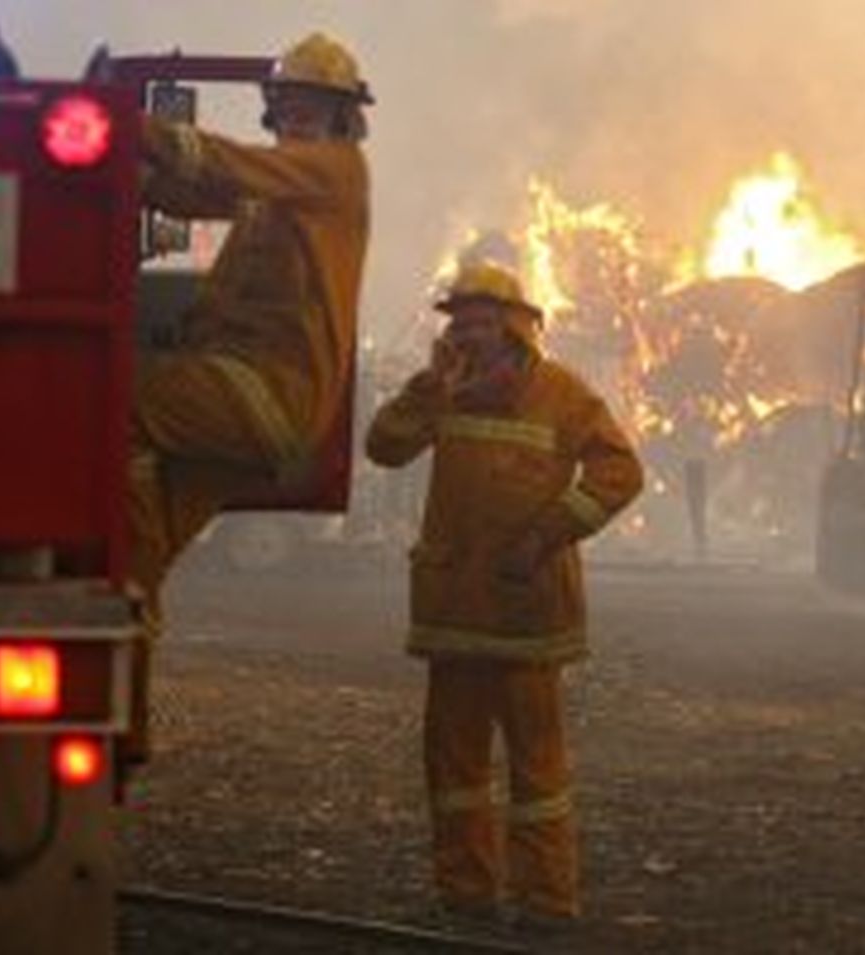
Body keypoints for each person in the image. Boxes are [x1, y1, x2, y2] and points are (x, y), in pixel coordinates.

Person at [365, 261, 643, 927]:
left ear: (515, 328)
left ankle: (547, 900)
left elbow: (620, 470)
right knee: (453, 766)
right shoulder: (446, 392)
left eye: (480, 323)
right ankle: (466, 892)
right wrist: (430, 390)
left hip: (527, 615)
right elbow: (383, 448)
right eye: (458, 324)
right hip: (456, 613)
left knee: (536, 770)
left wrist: (547, 534)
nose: (466, 334)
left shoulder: (560, 393)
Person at [124, 32, 374, 770]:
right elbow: (195, 191)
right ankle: (124, 730)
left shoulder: (333, 171)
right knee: (130, 563)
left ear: (342, 117)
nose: (296, 113)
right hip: (240, 398)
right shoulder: (279, 191)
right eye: (287, 102)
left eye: (313, 104)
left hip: (263, 389)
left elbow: (228, 163)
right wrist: (124, 177)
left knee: (117, 396)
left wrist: (127, 124)